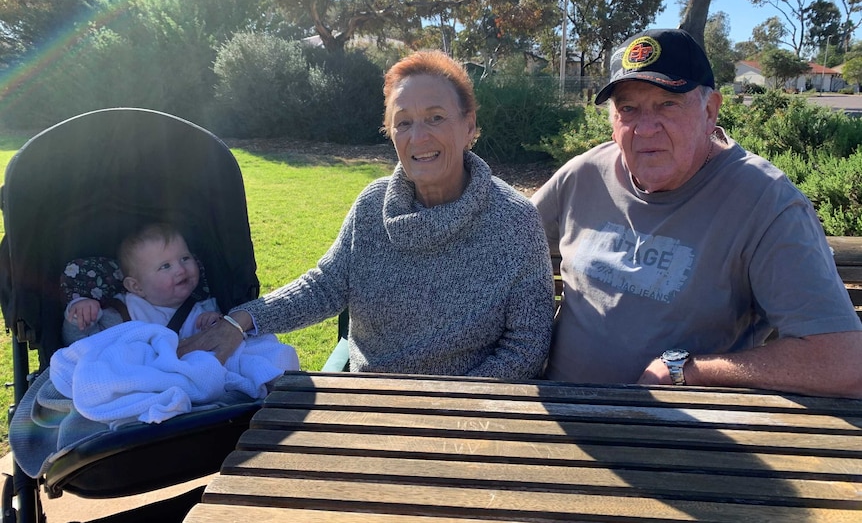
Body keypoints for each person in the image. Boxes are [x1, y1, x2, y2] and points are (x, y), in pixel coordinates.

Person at [179, 49, 555, 379]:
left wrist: (448, 404)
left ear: (469, 125)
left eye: (436, 117)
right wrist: (241, 320)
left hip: (468, 418)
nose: (418, 136)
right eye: (403, 122)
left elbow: (525, 348)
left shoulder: (513, 220)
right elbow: (324, 286)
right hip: (367, 403)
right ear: (390, 133)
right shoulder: (372, 206)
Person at [531, 28, 862, 398]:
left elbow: (843, 362)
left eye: (667, 104)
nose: (645, 128)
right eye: (628, 108)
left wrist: (686, 370)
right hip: (558, 412)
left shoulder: (766, 203)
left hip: (683, 437)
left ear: (710, 110)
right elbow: (503, 243)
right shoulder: (584, 174)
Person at [63, 222, 299, 374]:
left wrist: (214, 322)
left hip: (193, 374)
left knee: (264, 350)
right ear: (136, 286)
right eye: (165, 266)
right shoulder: (122, 312)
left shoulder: (202, 305)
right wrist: (80, 311)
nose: (180, 269)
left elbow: (220, 343)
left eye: (185, 258)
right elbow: (84, 346)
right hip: (138, 376)